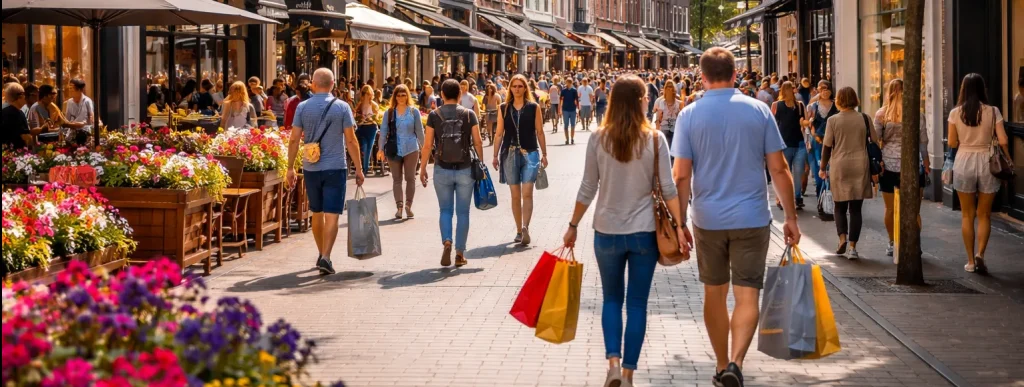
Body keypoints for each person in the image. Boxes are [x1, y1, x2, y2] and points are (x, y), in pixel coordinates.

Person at [672, 47, 801, 387]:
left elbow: (681, 175)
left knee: (714, 294)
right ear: (735, 75)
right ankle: (736, 362)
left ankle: (719, 363)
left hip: (707, 219)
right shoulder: (759, 110)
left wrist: (680, 222)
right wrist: (791, 217)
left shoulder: (689, 115)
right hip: (752, 217)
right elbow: (779, 168)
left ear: (702, 77)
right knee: (747, 295)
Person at [563, 75, 689, 387]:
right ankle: (630, 373)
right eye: (646, 97)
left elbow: (587, 187)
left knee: (610, 300)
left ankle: (613, 365)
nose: (648, 101)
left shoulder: (598, 137)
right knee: (636, 304)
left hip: (606, 230)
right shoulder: (654, 139)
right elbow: (669, 188)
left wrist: (572, 225)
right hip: (645, 232)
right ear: (639, 101)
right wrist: (681, 226)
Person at [286, 68, 363, 276]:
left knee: (316, 212)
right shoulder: (342, 107)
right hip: (335, 166)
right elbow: (351, 140)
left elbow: (294, 139)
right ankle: (326, 257)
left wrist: (290, 167)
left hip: (311, 167)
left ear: (312, 84)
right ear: (333, 84)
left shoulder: (302, 107)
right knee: (332, 214)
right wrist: (359, 168)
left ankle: (322, 253)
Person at [948, 73, 1010, 273]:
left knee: (967, 215)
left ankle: (970, 262)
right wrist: (1008, 158)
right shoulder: (993, 112)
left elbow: (951, 143)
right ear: (983, 89)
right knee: (984, 214)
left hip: (964, 160)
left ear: (963, 89)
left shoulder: (955, 113)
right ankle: (980, 254)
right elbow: (1002, 140)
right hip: (987, 161)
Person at [419, 79, 485, 269]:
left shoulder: (433, 115)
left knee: (445, 210)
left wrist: (423, 168)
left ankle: (447, 241)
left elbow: (427, 145)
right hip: (465, 169)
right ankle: (459, 253)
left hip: (442, 168)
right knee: (463, 212)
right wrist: (481, 164)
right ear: (459, 95)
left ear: (441, 95)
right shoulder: (469, 114)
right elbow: (478, 142)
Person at [875, 79, 929, 259]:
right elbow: (923, 142)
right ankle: (915, 243)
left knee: (890, 209)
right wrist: (926, 164)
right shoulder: (917, 114)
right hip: (912, 164)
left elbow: (876, 141)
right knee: (914, 210)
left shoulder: (881, 114)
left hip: (889, 164)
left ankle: (892, 243)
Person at [818, 87, 874, 260]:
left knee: (839, 206)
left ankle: (842, 237)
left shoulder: (833, 120)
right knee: (856, 209)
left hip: (839, 165)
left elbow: (827, 146)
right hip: (860, 164)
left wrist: (822, 167)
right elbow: (875, 141)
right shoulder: (864, 118)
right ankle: (852, 247)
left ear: (839, 100)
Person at [492, 75, 548, 246]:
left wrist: (544, 154)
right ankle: (518, 230)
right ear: (510, 89)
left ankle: (525, 227)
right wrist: (494, 156)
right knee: (515, 196)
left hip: (530, 153)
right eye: (514, 86)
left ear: (525, 88)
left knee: (527, 193)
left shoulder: (534, 107)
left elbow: (539, 131)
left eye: (520, 86)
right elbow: (499, 133)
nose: (517, 89)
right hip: (509, 154)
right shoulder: (503, 108)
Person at [377, 84, 425, 220]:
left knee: (410, 178)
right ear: (395, 97)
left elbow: (419, 131)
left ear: (407, 96)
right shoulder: (390, 112)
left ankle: (408, 206)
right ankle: (399, 207)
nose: (401, 97)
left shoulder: (413, 112)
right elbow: (383, 132)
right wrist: (380, 149)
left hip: (411, 148)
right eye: (398, 95)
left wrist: (425, 148)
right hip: (394, 149)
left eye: (403, 95)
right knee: (396, 179)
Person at [772, 81, 809, 210]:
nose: (792, 90)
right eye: (790, 88)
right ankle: (782, 198)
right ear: (784, 90)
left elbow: (804, 122)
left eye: (792, 88)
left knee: (798, 172)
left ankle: (798, 197)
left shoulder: (799, 105)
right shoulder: (778, 105)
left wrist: (806, 123)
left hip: (799, 143)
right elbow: (774, 124)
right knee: (785, 173)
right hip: (784, 144)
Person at [807, 80, 840, 200]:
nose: (824, 92)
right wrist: (809, 139)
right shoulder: (813, 106)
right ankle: (821, 196)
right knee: (819, 167)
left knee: (833, 168)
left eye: (826, 89)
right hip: (818, 141)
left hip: (834, 141)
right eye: (821, 89)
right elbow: (807, 125)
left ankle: (830, 195)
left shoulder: (836, 105)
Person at [354, 85, 381, 176]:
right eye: (364, 93)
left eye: (368, 93)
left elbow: (376, 117)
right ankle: (364, 168)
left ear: (371, 94)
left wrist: (371, 118)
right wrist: (360, 118)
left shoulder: (374, 105)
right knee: (364, 147)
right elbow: (356, 115)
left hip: (371, 127)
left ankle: (365, 169)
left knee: (369, 148)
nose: (366, 95)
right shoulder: (360, 104)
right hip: (362, 127)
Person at [1, 83, 39, 148]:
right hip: (16, 153)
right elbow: (24, 136)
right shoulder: (16, 113)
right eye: (24, 94)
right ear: (20, 96)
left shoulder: (5, 111)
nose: (25, 97)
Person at [63, 79, 95, 143]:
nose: (70, 90)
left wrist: (84, 124)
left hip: (85, 133)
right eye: (69, 88)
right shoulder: (69, 102)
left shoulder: (87, 101)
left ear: (80, 89)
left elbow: (92, 118)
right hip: (72, 133)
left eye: (72, 88)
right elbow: (67, 119)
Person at [653, 80, 683, 150]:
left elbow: (682, 120)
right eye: (668, 87)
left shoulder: (679, 103)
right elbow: (658, 118)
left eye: (670, 87)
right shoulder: (661, 101)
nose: (669, 89)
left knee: (670, 149)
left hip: (672, 128)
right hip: (667, 128)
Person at [560, 78, 580, 145]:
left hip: (572, 109)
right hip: (565, 109)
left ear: (571, 83)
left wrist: (578, 108)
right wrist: (560, 108)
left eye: (568, 83)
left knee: (573, 125)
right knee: (566, 125)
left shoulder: (574, 91)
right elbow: (561, 100)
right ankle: (567, 139)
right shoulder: (563, 91)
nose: (567, 84)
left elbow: (577, 100)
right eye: (567, 82)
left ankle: (572, 138)